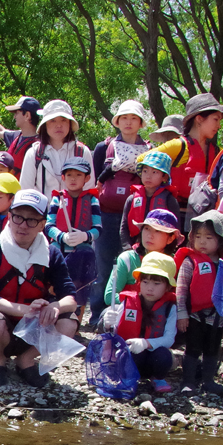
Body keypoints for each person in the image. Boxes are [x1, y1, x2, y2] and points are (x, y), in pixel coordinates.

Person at [0, 189, 79, 388]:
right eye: (18, 217)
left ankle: (26, 360)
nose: (23, 225)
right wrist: (26, 310)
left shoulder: (52, 254)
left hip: (35, 330)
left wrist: (54, 308)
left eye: (32, 220)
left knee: (69, 322)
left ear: (42, 225)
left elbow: (70, 298)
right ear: (9, 217)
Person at [93, 100, 150, 321]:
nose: (128, 122)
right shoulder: (103, 146)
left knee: (133, 266)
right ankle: (98, 313)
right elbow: (95, 179)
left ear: (140, 122)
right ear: (117, 121)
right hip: (106, 213)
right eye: (124, 118)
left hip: (137, 216)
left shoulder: (149, 149)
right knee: (103, 265)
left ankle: (133, 314)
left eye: (134, 118)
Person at [175, 210, 223, 395]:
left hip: (218, 317)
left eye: (208, 237)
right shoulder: (190, 262)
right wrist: (182, 314)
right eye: (198, 236)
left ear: (221, 240)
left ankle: (208, 381)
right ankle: (188, 381)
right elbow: (181, 290)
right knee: (192, 349)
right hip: (194, 316)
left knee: (212, 349)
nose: (202, 241)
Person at [149, 93, 223, 222]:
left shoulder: (216, 151)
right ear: (199, 119)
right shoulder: (178, 145)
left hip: (203, 217)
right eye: (216, 119)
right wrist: (163, 176)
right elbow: (141, 160)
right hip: (171, 215)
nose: (219, 125)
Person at [45, 157, 102, 323]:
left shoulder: (92, 200)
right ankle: (54, 317)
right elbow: (49, 226)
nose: (73, 178)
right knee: (53, 284)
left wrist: (85, 236)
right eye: (69, 175)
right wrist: (62, 236)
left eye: (78, 175)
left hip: (82, 252)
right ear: (63, 178)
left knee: (81, 286)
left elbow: (98, 229)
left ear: (87, 178)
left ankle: (75, 322)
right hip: (59, 249)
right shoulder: (57, 199)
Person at [112, 251, 178, 393]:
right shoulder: (127, 302)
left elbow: (169, 339)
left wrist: (145, 343)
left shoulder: (170, 308)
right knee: (132, 354)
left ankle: (158, 378)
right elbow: (113, 332)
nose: (149, 288)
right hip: (131, 357)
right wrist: (107, 323)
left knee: (164, 355)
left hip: (154, 359)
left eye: (156, 283)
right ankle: (128, 378)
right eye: (145, 282)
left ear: (167, 287)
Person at [104, 209, 182, 307]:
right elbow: (109, 296)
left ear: (170, 238)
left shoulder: (176, 263)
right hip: (129, 313)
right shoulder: (127, 259)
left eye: (157, 231)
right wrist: (140, 303)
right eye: (146, 229)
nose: (150, 235)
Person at [20, 100, 94, 197]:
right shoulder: (34, 153)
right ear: (45, 125)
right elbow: (25, 191)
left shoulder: (82, 152)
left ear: (70, 124)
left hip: (75, 211)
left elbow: (89, 189)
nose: (58, 125)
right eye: (53, 120)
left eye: (63, 120)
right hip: (42, 211)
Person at [120, 151, 179, 251]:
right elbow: (124, 226)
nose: (148, 176)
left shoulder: (170, 200)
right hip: (134, 247)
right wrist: (127, 247)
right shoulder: (132, 198)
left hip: (160, 250)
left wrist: (168, 252)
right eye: (145, 171)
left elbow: (175, 230)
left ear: (164, 177)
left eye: (154, 172)